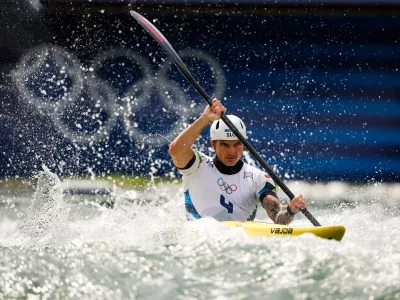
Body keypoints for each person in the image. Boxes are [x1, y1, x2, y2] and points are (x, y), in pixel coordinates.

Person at [168, 99, 307, 224]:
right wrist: (204, 119)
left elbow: (278, 218)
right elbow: (175, 150)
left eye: (237, 144)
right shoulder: (197, 166)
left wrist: (291, 209)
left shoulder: (258, 178)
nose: (232, 152)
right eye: (225, 145)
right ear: (213, 144)